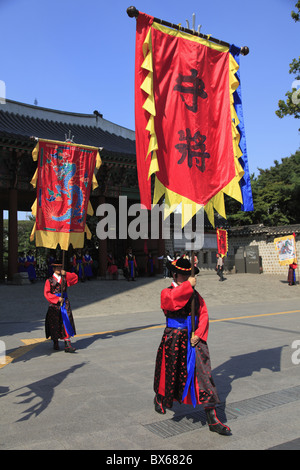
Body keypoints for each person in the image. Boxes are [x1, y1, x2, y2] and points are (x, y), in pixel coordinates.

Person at [153, 257, 231, 436]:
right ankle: (159, 398)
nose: (186, 277)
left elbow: (203, 313)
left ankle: (212, 417)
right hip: (174, 338)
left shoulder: (196, 295)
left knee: (204, 375)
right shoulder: (166, 292)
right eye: (183, 275)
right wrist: (188, 286)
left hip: (193, 339)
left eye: (189, 275)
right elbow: (172, 302)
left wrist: (199, 333)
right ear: (175, 274)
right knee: (169, 373)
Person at [44, 260, 78, 353]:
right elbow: (47, 293)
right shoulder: (49, 280)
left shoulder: (65, 278)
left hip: (65, 303)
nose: (59, 269)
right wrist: (56, 299)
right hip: (54, 304)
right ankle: (55, 341)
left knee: (66, 321)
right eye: (57, 267)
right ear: (54, 269)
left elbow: (75, 278)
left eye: (60, 267)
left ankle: (67, 344)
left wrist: (66, 273)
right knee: (54, 322)